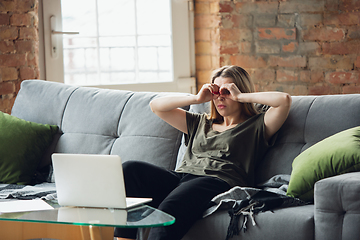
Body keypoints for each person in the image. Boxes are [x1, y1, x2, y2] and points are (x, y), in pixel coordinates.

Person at [115, 65, 292, 240]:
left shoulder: (257, 125)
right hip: (182, 177)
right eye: (216, 92)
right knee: (130, 170)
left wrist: (240, 96)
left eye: (226, 92)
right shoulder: (200, 122)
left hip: (217, 180)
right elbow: (156, 106)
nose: (220, 98)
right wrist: (197, 98)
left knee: (169, 208)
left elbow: (283, 100)